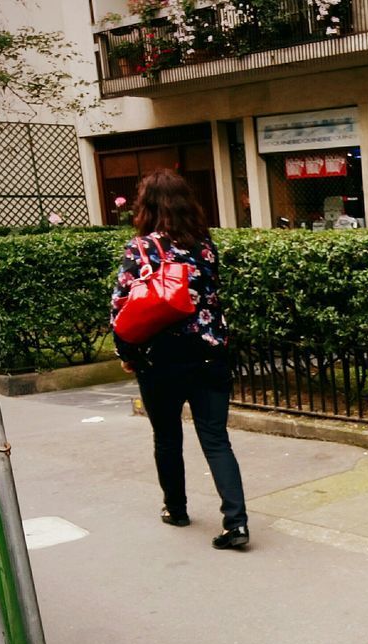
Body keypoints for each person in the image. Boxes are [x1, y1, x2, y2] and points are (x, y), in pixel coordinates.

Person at [110, 168, 250, 550]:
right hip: (210, 353)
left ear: (146, 206)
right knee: (216, 438)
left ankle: (176, 508)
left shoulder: (140, 249)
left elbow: (121, 308)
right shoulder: (205, 246)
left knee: (167, 436)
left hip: (161, 359)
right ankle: (236, 523)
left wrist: (127, 355)